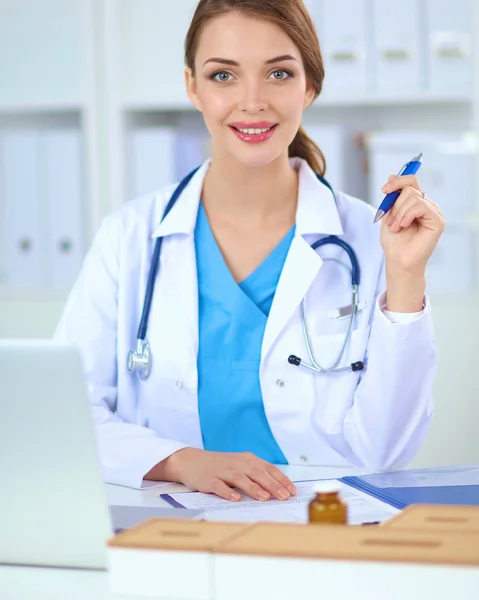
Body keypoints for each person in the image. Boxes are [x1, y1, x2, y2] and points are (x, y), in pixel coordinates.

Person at [54, 0, 445, 502]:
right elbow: (69, 409)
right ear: (192, 85)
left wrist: (407, 276)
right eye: (223, 76)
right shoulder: (129, 237)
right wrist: (179, 462)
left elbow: (387, 453)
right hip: (171, 529)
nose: (253, 101)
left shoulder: (371, 240)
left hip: (323, 524)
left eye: (279, 73)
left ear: (310, 85)